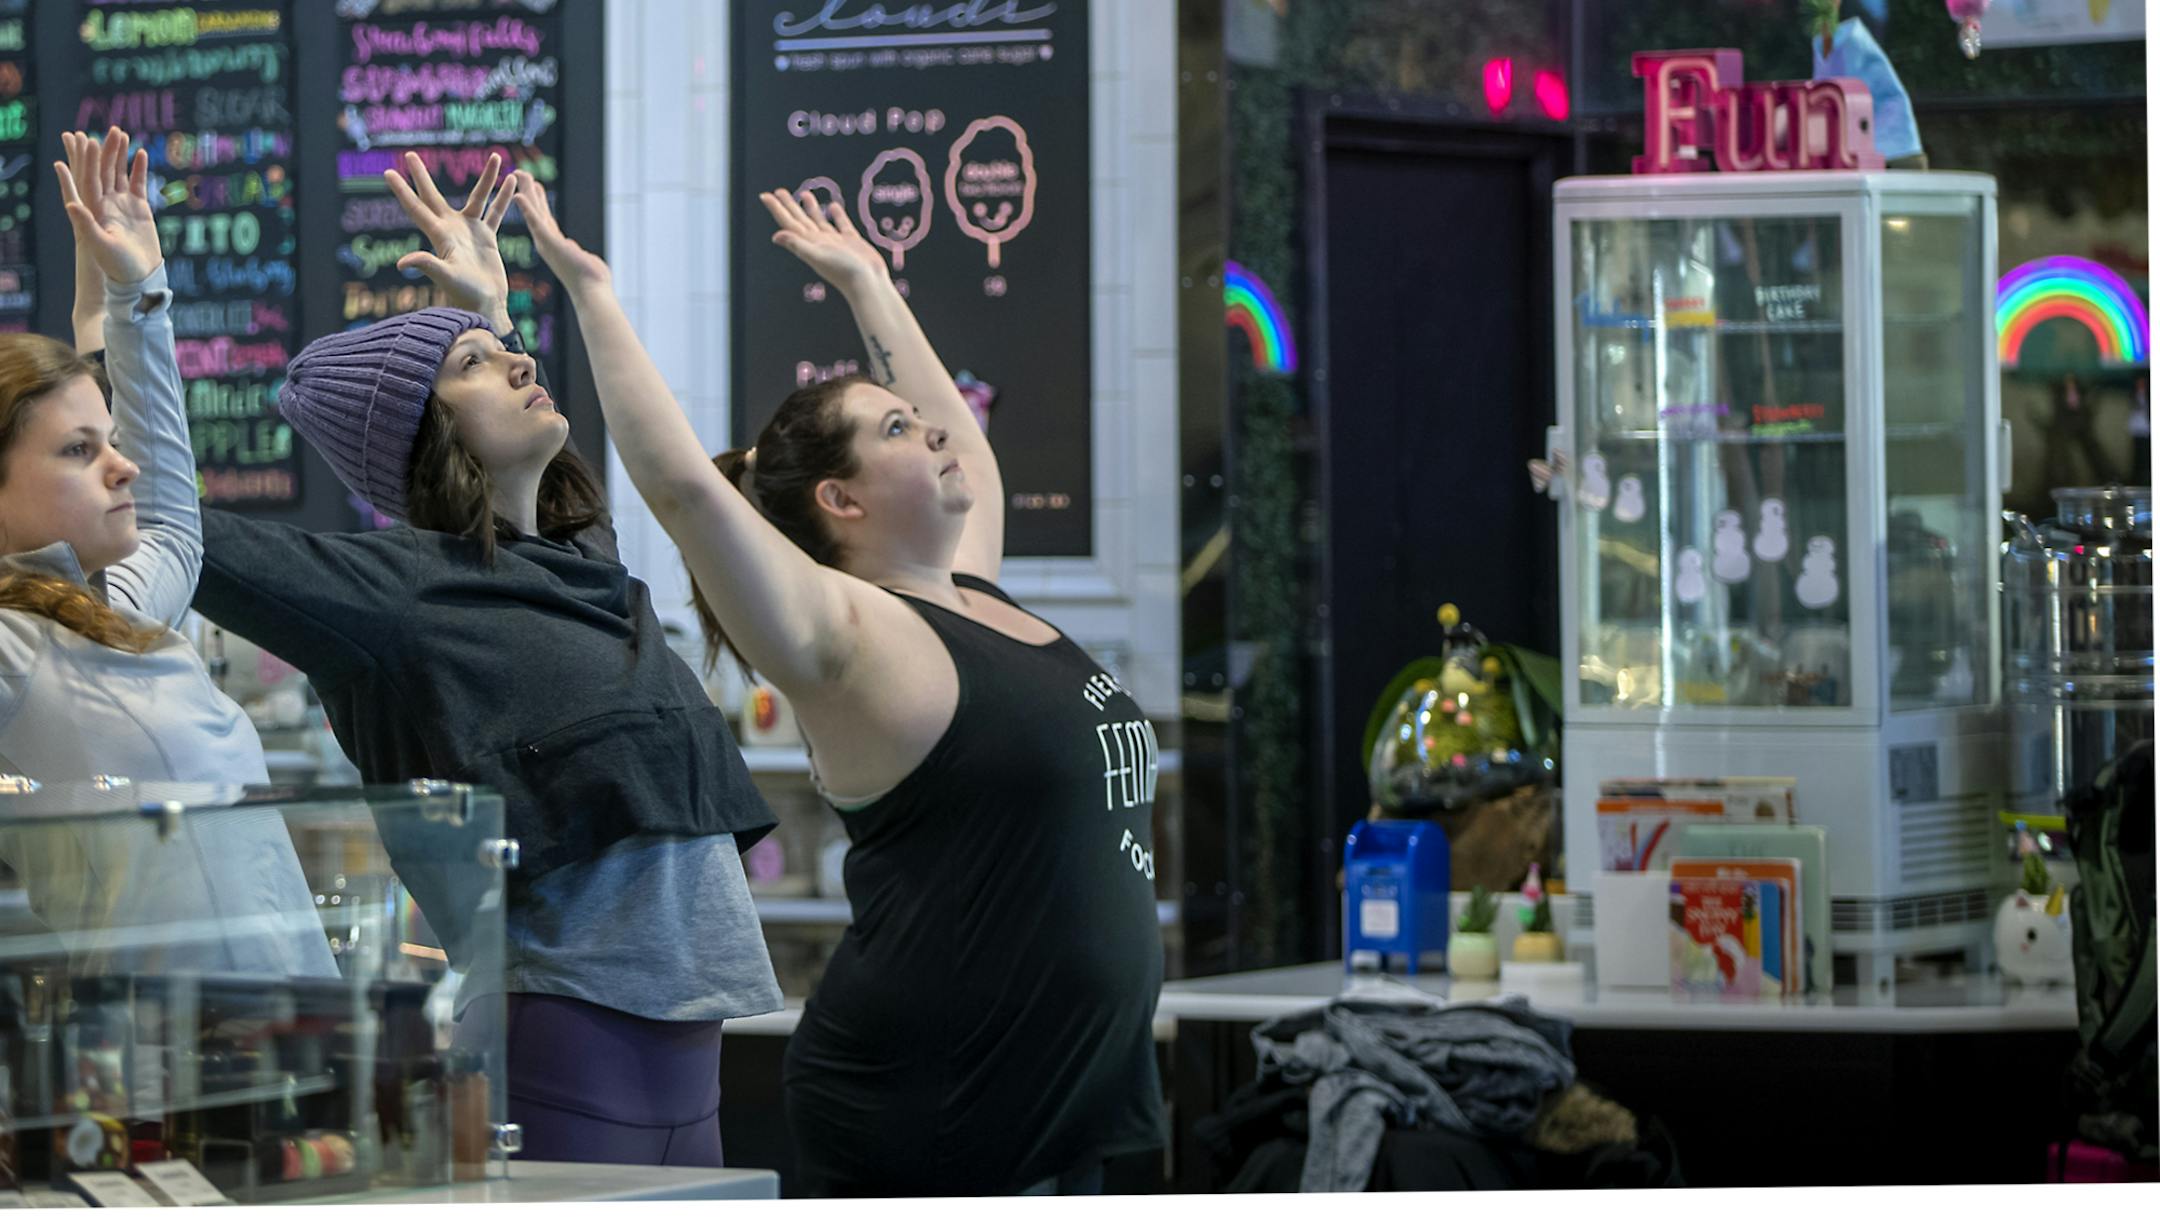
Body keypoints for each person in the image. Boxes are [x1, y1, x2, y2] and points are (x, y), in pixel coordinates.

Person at [514, 178, 1165, 1195]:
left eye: (919, 419)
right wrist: (592, 295)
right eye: (899, 432)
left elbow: (972, 449)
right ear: (840, 497)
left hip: (1066, 1108)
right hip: (936, 1109)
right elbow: (685, 490)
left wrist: (870, 283)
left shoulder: (975, 594)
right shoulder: (849, 637)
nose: (937, 434)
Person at [182, 152, 781, 1167]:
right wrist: (126, 309)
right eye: (475, 366)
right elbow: (179, 536)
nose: (522, 365)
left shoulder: (577, 572)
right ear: (428, 437)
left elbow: (544, 498)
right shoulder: (390, 596)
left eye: (507, 354)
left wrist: (486, 308)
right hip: (564, 1044)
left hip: (693, 1058)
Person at [0, 127, 331, 979]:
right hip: (158, 1069)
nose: (124, 466)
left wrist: (137, 293)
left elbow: (178, 525)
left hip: (296, 1037)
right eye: (79, 451)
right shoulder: (10, 645)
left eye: (109, 440)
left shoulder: (117, 607)